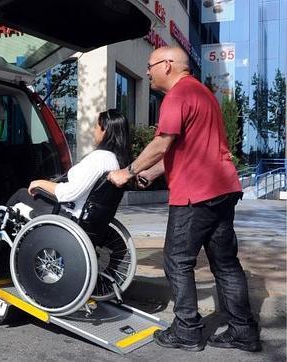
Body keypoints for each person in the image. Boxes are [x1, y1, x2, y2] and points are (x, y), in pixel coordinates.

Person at [108, 46, 260, 352]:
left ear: (167, 65)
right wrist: (149, 175)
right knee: (226, 263)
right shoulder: (202, 94)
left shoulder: (177, 95)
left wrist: (128, 170)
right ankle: (243, 331)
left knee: (177, 261)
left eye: (150, 65)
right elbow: (184, 148)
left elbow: (162, 142)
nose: (148, 72)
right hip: (222, 188)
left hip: (196, 193)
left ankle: (187, 330)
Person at [7, 109, 131, 220]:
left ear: (105, 130)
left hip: (70, 214)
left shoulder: (99, 159)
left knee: (21, 193)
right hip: (86, 214)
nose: (93, 131)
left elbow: (69, 193)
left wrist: (40, 183)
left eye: (96, 127)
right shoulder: (115, 161)